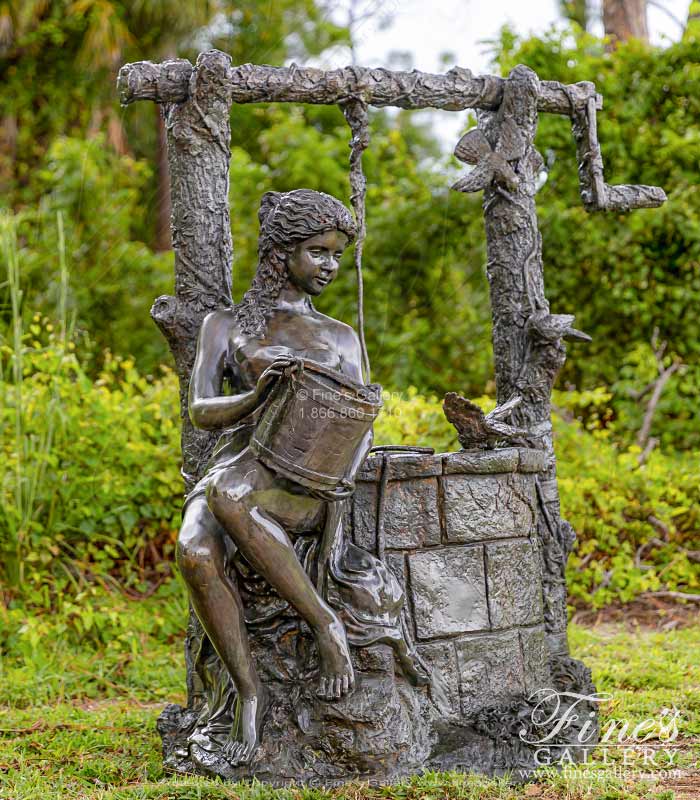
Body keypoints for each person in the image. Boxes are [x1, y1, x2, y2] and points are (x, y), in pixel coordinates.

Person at [176, 189, 427, 767]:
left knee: (231, 495)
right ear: (281, 252)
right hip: (236, 461)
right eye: (318, 251)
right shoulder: (227, 324)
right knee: (194, 548)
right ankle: (248, 692)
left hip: (309, 484)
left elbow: (364, 419)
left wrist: (340, 473)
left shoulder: (341, 336)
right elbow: (200, 411)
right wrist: (258, 394)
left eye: (337, 254)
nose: (330, 265)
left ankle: (327, 625)